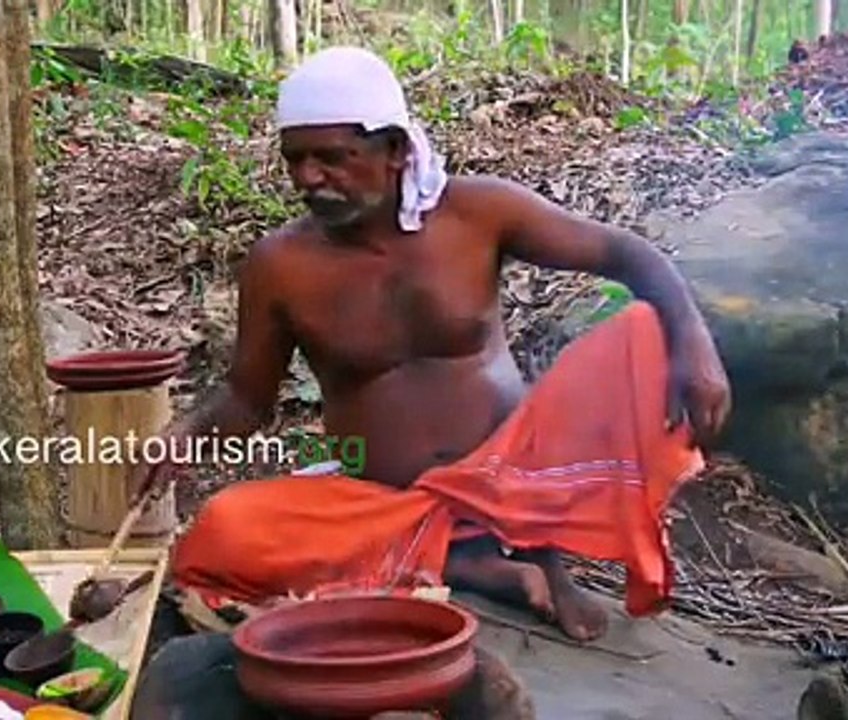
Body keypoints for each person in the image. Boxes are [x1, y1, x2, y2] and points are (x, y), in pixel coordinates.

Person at [144, 46, 731, 643]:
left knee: (643, 334)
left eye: (332, 157)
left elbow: (625, 254)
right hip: (383, 502)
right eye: (295, 159)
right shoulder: (279, 265)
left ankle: (530, 554)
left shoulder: (479, 213)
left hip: (519, 487)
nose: (308, 178)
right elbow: (247, 398)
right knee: (223, 531)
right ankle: (461, 562)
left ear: (395, 149)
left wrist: (694, 343)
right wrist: (186, 435)